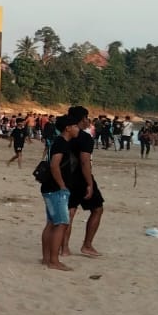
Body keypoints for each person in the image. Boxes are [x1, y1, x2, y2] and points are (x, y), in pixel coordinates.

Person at [61, 108, 104, 258]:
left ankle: (64, 248)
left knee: (69, 212)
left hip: (64, 176)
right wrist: (89, 183)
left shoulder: (63, 134)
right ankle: (87, 245)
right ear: (82, 119)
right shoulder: (85, 138)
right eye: (87, 118)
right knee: (97, 209)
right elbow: (85, 162)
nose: (88, 121)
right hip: (80, 178)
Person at [39, 115, 77, 272]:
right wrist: (62, 186)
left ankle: (47, 258)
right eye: (75, 126)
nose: (78, 129)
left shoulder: (59, 142)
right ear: (68, 128)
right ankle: (53, 260)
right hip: (55, 189)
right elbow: (55, 165)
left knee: (51, 222)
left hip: (50, 188)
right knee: (61, 223)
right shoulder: (61, 143)